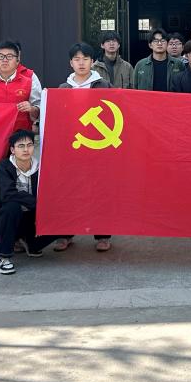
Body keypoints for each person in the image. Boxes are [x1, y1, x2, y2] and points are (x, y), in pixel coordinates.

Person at [53, 43, 112, 253]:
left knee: (100, 190)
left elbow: (113, 113)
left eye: (85, 59)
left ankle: (103, 235)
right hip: (71, 147)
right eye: (77, 59)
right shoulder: (63, 88)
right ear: (71, 63)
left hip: (98, 146)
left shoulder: (103, 85)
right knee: (69, 189)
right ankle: (65, 233)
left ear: (92, 62)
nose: (81, 63)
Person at [0, 130, 64, 275]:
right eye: (21, 146)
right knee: (11, 207)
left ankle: (31, 244)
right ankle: (4, 257)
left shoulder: (40, 166)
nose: (26, 149)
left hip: (32, 217)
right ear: (12, 150)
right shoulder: (5, 165)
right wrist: (36, 202)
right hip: (13, 219)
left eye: (29, 145)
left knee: (60, 212)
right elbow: (7, 194)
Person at [0, 40, 43, 132]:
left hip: (20, 136)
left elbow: (40, 109)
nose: (5, 60)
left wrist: (32, 109)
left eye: (9, 56)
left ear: (17, 60)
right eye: (1, 56)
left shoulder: (29, 83)